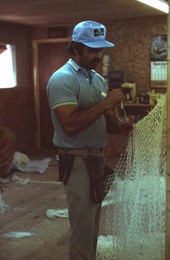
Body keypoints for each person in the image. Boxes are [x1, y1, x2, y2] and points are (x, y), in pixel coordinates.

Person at [47, 20, 132, 260]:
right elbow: (70, 124)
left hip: (97, 158)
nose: (99, 55)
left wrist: (125, 127)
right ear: (75, 48)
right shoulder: (62, 79)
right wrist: (107, 102)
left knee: (93, 224)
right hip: (76, 161)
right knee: (82, 229)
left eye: (101, 49)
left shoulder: (96, 79)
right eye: (93, 50)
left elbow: (104, 120)